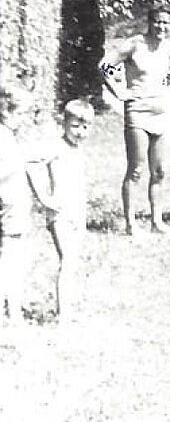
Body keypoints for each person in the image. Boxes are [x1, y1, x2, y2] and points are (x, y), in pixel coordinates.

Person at [101, 6, 170, 235]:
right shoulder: (135, 44)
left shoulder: (167, 46)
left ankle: (157, 221)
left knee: (159, 170)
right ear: (149, 22)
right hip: (137, 112)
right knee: (136, 169)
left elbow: (164, 75)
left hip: (159, 112)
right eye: (158, 22)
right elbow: (104, 66)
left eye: (166, 23)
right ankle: (131, 223)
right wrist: (119, 92)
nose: (161, 27)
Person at [27, 99, 94, 321]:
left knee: (74, 260)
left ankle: (70, 307)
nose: (80, 132)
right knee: (68, 260)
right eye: (75, 126)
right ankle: (64, 313)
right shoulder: (56, 147)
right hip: (60, 214)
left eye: (86, 127)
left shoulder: (79, 150)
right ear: (63, 123)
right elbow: (31, 162)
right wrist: (44, 197)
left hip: (77, 212)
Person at [0, 84, 34, 327]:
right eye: (22, 113)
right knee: (12, 261)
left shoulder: (8, 136)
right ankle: (12, 312)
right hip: (10, 210)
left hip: (15, 208)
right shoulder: (3, 138)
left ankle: (12, 307)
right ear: (6, 111)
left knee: (15, 258)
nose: (25, 119)